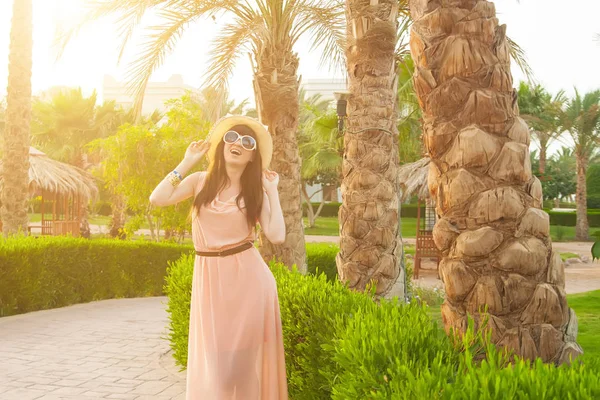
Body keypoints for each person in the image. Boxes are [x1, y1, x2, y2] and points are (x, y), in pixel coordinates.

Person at [149, 115, 289, 399]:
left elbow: (276, 235)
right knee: (220, 371)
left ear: (252, 157)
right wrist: (187, 161)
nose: (237, 143)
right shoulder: (200, 182)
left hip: (249, 282)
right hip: (211, 281)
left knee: (241, 368)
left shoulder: (254, 193)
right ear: (222, 146)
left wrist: (272, 192)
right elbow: (158, 198)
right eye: (232, 138)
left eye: (247, 142)